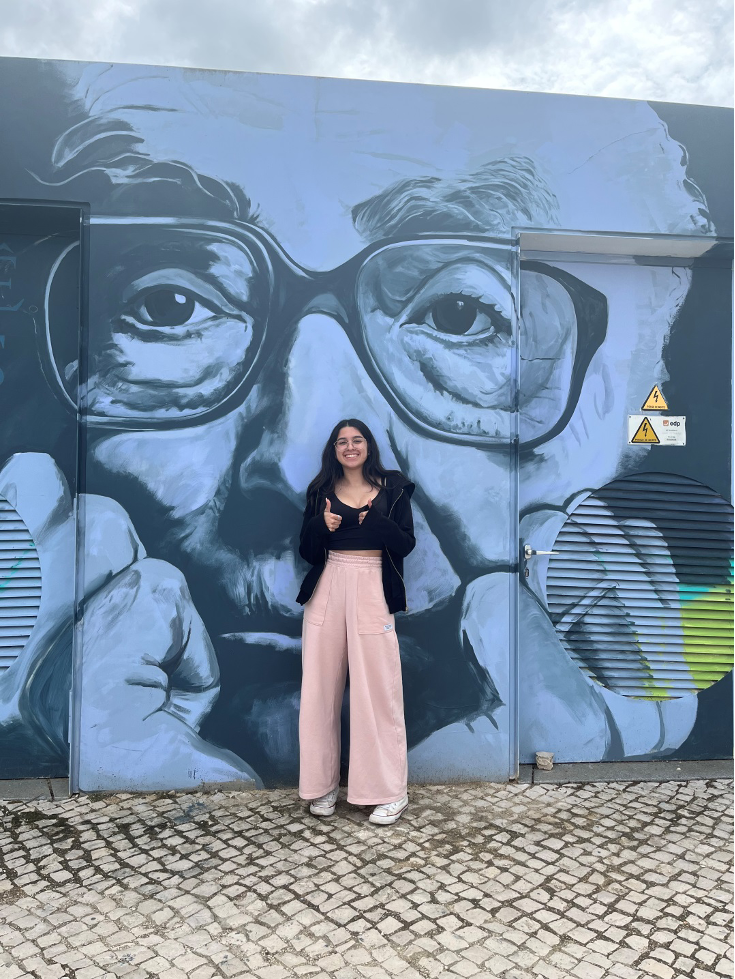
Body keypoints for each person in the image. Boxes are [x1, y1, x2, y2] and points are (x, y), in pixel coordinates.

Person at [296, 420, 415, 825]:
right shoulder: (320, 491)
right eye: (342, 442)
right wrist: (320, 526)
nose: (350, 447)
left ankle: (389, 791)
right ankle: (322, 786)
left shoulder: (393, 487)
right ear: (334, 449)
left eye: (357, 440)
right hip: (328, 584)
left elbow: (405, 544)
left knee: (377, 691)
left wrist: (376, 523)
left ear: (368, 446)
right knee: (319, 691)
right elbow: (306, 550)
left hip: (372, 585)